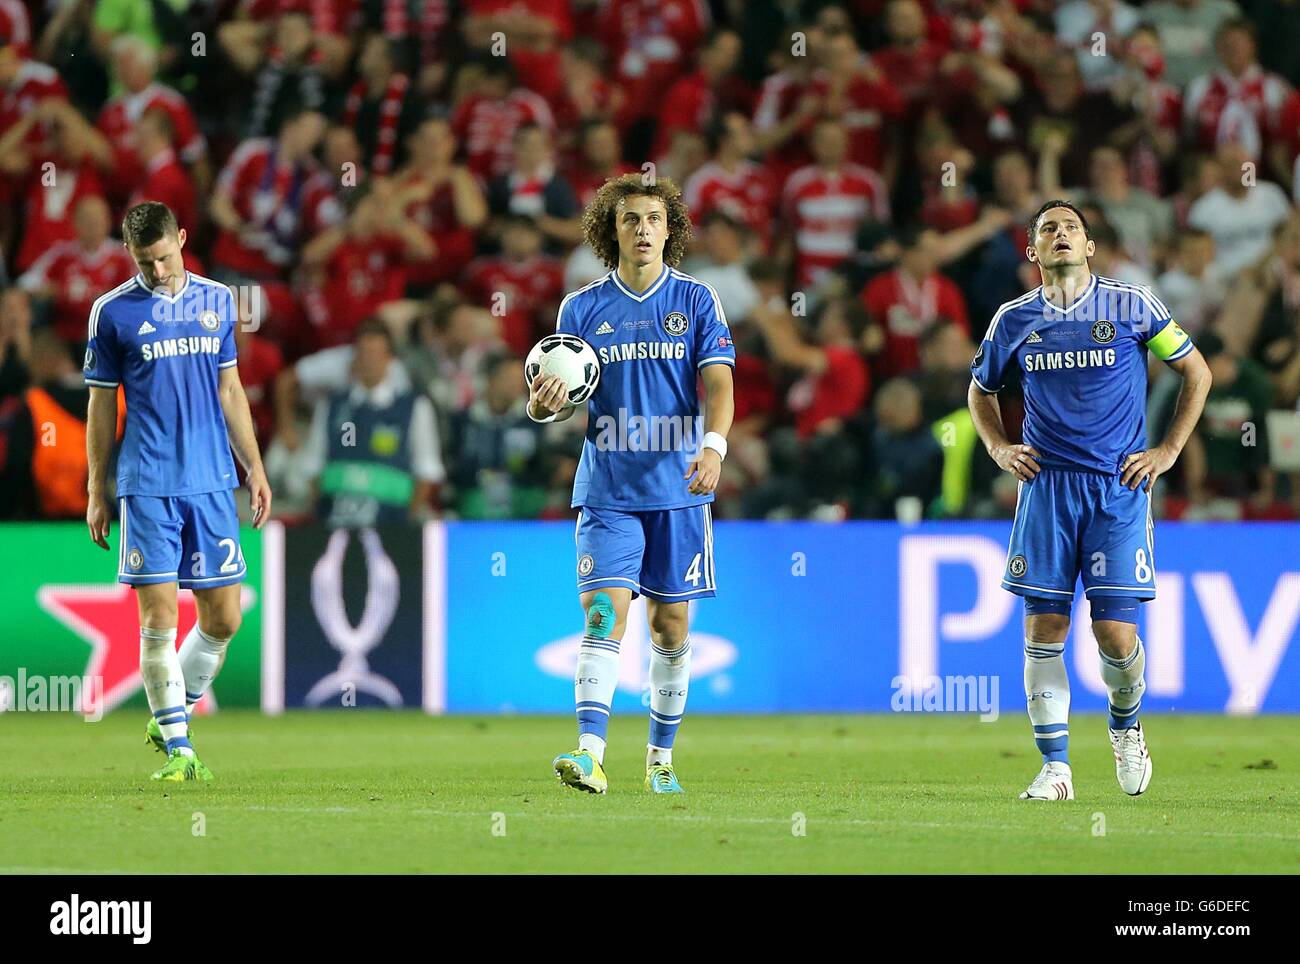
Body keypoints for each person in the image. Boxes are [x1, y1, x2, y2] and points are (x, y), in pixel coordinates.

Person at [967, 199, 1212, 802]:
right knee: (1045, 626)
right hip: (1047, 491)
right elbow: (980, 390)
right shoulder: (1012, 320)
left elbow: (1197, 372)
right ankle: (1055, 770)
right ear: (1033, 250)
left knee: (1115, 637)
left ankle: (1126, 728)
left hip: (1117, 489)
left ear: (1090, 246)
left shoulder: (1133, 305)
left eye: (1071, 227)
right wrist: (999, 448)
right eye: (1048, 229)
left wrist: (1168, 451)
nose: (1060, 235)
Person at [530, 173, 735, 795]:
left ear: (669, 230)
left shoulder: (697, 301)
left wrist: (715, 446)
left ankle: (660, 758)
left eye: (653, 219)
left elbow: (720, 385)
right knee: (601, 615)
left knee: (669, 629)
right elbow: (559, 404)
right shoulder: (582, 308)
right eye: (630, 220)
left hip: (677, 487)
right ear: (609, 231)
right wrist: (544, 408)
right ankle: (590, 754)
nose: (642, 230)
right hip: (608, 487)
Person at [83, 201, 272, 782]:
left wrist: (254, 468)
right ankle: (180, 751)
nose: (158, 271)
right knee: (159, 618)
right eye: (145, 261)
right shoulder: (111, 313)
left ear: (182, 239)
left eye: (164, 257)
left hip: (212, 481)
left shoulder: (217, 301)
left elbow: (230, 390)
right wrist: (97, 487)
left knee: (224, 617)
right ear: (130, 254)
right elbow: (99, 405)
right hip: (148, 484)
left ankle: (171, 713)